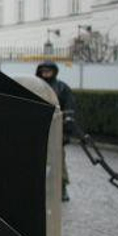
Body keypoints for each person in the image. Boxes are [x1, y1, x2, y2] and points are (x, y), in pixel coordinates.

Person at [36, 61, 77, 202]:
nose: (46, 73)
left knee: (59, 161)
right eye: (43, 71)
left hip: (56, 130)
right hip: (38, 130)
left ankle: (62, 187)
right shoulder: (36, 87)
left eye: (48, 71)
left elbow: (69, 108)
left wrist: (67, 131)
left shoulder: (62, 88)